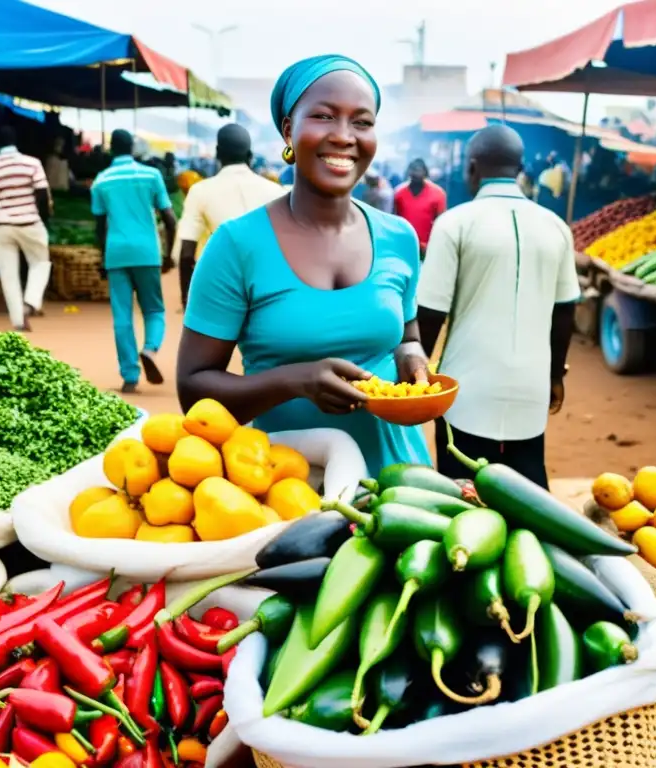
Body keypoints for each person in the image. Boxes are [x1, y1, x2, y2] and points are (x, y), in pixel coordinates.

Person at [177, 54, 431, 475]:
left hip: (400, 479)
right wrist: (295, 381)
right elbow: (193, 389)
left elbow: (407, 336)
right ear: (289, 130)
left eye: (362, 122)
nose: (344, 136)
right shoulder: (236, 245)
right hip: (288, 485)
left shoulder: (399, 237)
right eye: (324, 116)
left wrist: (412, 358)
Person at [417, 125, 580, 489]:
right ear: (519, 167)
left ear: (472, 167)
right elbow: (566, 310)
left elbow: (430, 313)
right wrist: (555, 376)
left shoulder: (454, 224)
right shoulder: (556, 226)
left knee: (461, 495)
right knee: (529, 493)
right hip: (532, 387)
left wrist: (417, 379)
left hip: (465, 390)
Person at [91, 129, 176, 394]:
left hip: (116, 253)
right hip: (147, 251)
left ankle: (129, 375)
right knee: (153, 310)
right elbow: (170, 219)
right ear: (132, 147)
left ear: (111, 149)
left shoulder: (101, 180)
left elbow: (100, 226)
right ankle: (150, 349)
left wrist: (102, 259)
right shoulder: (151, 175)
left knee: (121, 316)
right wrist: (167, 254)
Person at [176, 124, 284, 309]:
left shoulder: (200, 191)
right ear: (250, 156)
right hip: (267, 289)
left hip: (221, 289)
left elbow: (186, 253)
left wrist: (187, 300)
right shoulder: (276, 192)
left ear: (218, 153)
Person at [0, 125, 52, 331]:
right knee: (41, 263)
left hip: (3, 226)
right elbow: (43, 196)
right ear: (16, 141)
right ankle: (31, 301)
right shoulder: (32, 163)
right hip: (30, 223)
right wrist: (43, 220)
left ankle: (19, 321)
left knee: (8, 275)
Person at [394, 158, 446, 259]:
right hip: (403, 247)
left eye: (419, 170)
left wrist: (434, 246)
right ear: (409, 172)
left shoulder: (438, 194)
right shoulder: (399, 193)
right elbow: (395, 221)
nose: (416, 173)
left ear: (425, 172)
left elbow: (441, 223)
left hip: (428, 248)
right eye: (414, 170)